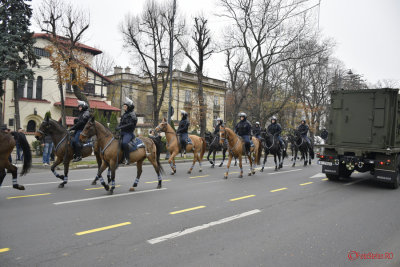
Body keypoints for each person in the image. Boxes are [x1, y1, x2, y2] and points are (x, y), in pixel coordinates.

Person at [116, 97, 137, 165]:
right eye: (124, 106)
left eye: (125, 106)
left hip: (128, 133)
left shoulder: (133, 115)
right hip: (122, 132)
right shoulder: (124, 114)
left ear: (129, 107)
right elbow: (121, 123)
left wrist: (120, 127)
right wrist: (118, 127)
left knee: (124, 143)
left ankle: (127, 159)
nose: (124, 108)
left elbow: (130, 124)